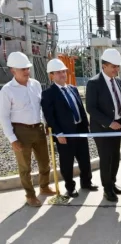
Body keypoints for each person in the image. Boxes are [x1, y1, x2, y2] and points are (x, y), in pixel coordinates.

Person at [0, 52, 55, 207]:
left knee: (45, 162)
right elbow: (3, 116)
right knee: (25, 167)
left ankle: (44, 187)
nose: (26, 71)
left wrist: (45, 124)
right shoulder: (7, 90)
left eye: (27, 68)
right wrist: (12, 139)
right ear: (13, 71)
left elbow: (40, 108)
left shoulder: (35, 84)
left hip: (38, 129)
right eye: (22, 69)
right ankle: (30, 195)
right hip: (20, 132)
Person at [41, 59, 98, 198]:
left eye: (63, 71)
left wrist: (86, 126)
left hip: (80, 130)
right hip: (64, 133)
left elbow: (80, 109)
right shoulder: (48, 94)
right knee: (67, 162)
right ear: (51, 75)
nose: (62, 74)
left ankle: (86, 182)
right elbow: (50, 116)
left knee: (85, 158)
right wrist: (58, 133)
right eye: (58, 72)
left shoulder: (72, 88)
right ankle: (70, 187)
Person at [86, 48, 121, 202]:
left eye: (118, 66)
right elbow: (91, 108)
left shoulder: (118, 81)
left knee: (115, 157)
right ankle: (107, 189)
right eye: (113, 66)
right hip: (102, 129)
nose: (116, 69)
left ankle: (113, 182)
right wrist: (109, 123)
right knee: (106, 159)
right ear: (104, 65)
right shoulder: (94, 83)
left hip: (117, 128)